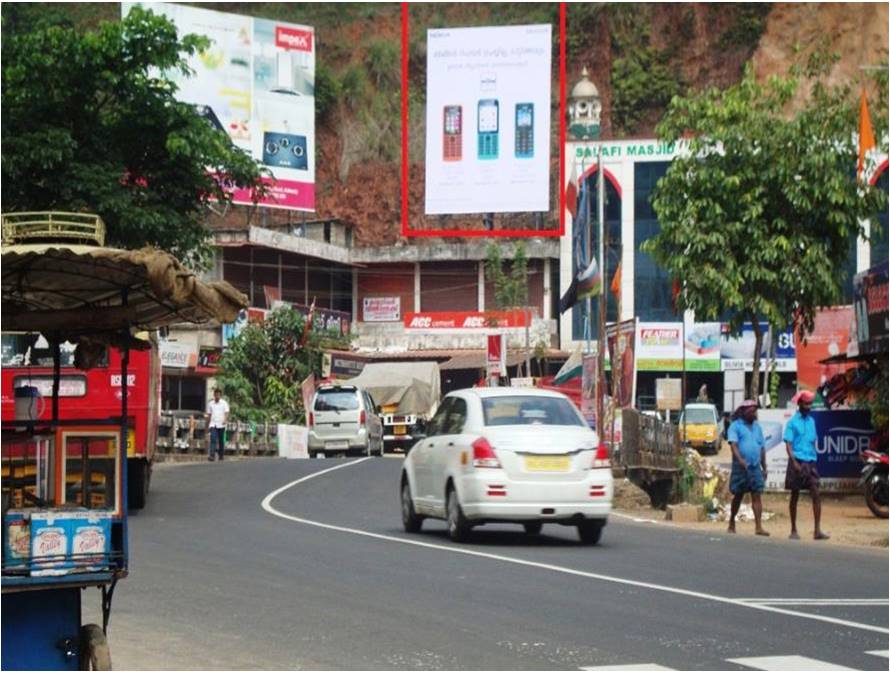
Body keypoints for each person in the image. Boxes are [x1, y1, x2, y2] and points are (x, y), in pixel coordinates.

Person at [784, 390, 829, 540]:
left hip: (811, 461)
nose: (808, 406)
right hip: (797, 460)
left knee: (816, 493)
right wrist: (795, 462)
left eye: (810, 404)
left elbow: (812, 441)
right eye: (806, 403)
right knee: (795, 494)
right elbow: (788, 445)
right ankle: (793, 530)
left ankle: (817, 530)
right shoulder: (792, 423)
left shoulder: (812, 422)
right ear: (800, 404)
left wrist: (813, 460)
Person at [727, 400, 769, 536]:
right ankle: (732, 521)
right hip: (741, 467)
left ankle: (758, 527)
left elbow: (762, 448)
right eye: (751, 411)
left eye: (755, 411)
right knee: (738, 495)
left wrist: (764, 467)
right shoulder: (735, 426)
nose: (754, 413)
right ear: (744, 412)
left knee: (757, 494)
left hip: (755, 466)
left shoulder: (758, 428)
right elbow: (734, 446)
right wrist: (741, 461)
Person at [206, 387, 229, 462]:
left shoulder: (224, 403)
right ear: (214, 395)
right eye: (216, 395)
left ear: (220, 395)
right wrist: (207, 425)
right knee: (213, 439)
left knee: (221, 440)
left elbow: (226, 413)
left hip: (221, 424)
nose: (217, 396)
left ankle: (221, 455)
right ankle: (212, 455)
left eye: (218, 395)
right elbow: (209, 415)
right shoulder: (210, 404)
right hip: (213, 424)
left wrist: (225, 420)